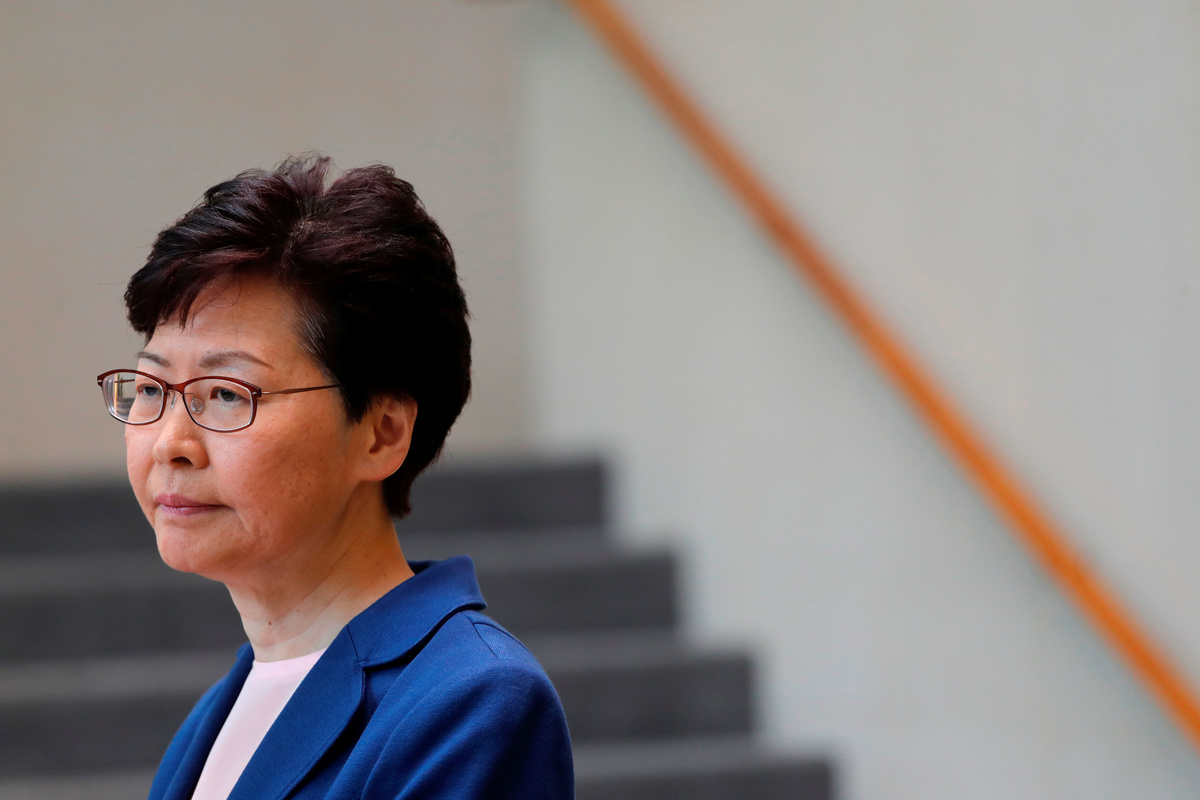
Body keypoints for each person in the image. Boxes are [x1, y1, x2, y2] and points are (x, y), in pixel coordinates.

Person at [96, 154, 574, 800]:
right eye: (152, 387)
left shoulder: (472, 701)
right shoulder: (218, 715)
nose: (170, 444)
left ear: (382, 433)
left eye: (228, 393)